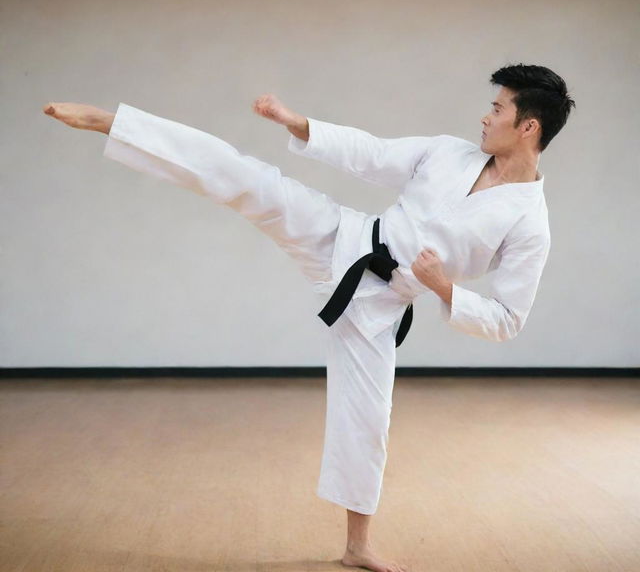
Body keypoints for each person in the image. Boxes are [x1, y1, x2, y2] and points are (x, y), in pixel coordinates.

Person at [42, 63, 575, 572]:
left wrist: (444, 289)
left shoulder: (530, 222)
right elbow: (370, 153)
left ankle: (356, 547)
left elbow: (508, 318)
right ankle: (116, 123)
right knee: (249, 178)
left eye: (498, 109)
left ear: (528, 126)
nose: (485, 116)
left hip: (379, 305)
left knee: (368, 420)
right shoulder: (449, 153)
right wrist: (297, 123)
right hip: (341, 237)